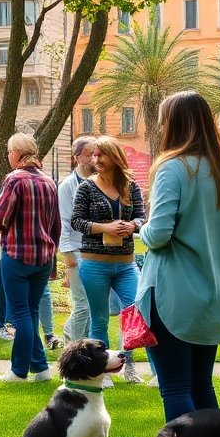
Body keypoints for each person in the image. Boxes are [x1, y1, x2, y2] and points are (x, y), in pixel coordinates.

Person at [135, 92, 220, 437]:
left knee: (175, 387)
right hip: (212, 295)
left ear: (172, 123)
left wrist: (139, 228)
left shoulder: (173, 168)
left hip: (175, 294)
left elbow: (158, 233)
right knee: (200, 386)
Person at [70, 136, 145, 385]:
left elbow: (142, 217)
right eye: (94, 155)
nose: (96, 159)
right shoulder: (87, 188)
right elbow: (77, 222)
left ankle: (134, 368)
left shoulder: (130, 186)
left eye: (101, 154)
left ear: (115, 157)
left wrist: (132, 225)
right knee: (99, 319)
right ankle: (101, 373)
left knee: (137, 313)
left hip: (125, 263)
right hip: (94, 263)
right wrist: (106, 227)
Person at [0, 132, 60, 383]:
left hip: (17, 254)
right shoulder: (49, 181)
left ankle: (19, 370)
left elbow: (0, 218)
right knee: (30, 311)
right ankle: (41, 367)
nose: (8, 156)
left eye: (9, 151)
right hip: (43, 256)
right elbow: (56, 224)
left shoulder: (14, 180)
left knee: (20, 313)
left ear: (17, 154)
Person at [57, 137, 97, 345]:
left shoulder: (101, 182)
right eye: (89, 154)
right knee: (83, 305)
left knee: (92, 305)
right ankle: (76, 350)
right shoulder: (67, 186)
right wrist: (67, 254)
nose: (94, 158)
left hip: (98, 251)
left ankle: (73, 338)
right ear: (77, 158)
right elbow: (63, 221)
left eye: (96, 153)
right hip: (77, 250)